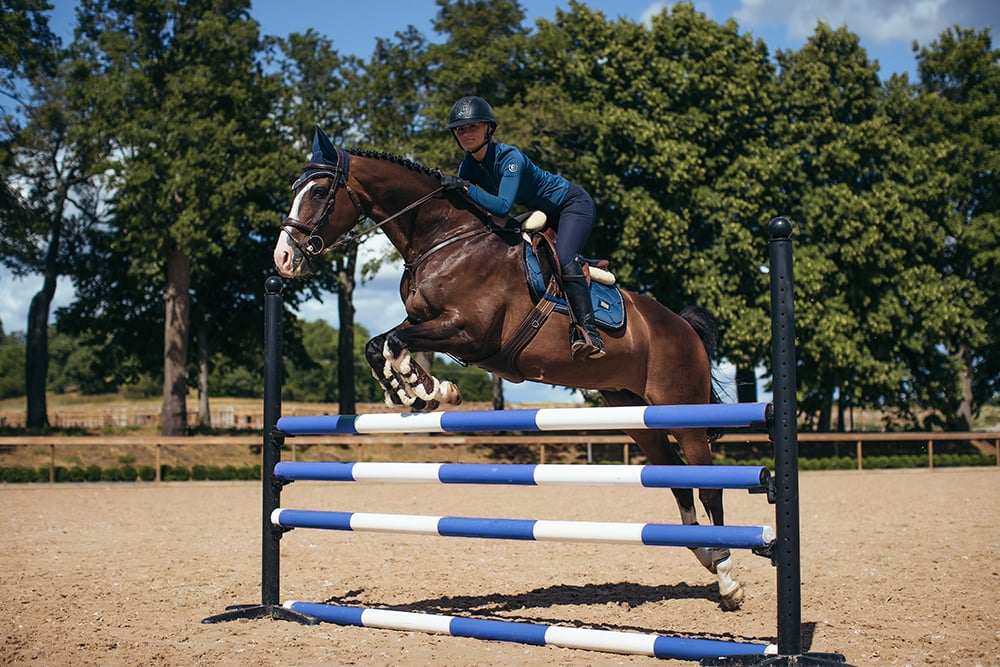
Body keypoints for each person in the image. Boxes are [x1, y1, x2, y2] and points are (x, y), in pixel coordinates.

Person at [440, 95, 605, 360]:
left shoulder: (509, 157)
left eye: (473, 126)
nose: (466, 133)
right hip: (539, 213)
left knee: (563, 257)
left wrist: (466, 187)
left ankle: (588, 332)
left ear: (488, 129)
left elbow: (503, 206)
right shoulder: (469, 165)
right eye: (461, 129)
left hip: (570, 206)